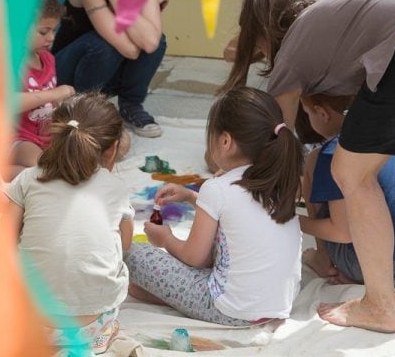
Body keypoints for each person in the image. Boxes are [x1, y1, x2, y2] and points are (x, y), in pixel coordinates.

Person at [222, 0, 395, 333]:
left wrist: (250, 191)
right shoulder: (333, 11)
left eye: (258, 45)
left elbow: (276, 140)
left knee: (350, 172)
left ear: (264, 35)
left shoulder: (297, 44)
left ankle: (379, 306)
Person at [125, 87, 303, 325]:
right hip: (278, 304)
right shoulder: (278, 179)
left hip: (229, 309)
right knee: (141, 287)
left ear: (226, 141)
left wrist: (165, 238)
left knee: (132, 252)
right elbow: (237, 215)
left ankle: (179, 298)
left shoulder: (217, 188)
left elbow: (194, 257)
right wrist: (190, 196)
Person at [4, 93, 134, 354]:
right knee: (120, 268)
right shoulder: (116, 188)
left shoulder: (29, 178)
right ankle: (102, 339)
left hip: (27, 323)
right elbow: (126, 244)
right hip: (91, 325)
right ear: (112, 150)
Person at [52, 0, 167, 138]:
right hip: (66, 74)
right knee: (106, 45)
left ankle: (130, 105)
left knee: (158, 40)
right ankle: (82, 110)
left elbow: (151, 42)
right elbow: (130, 50)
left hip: (105, 72)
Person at [299, 93, 395, 286]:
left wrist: (294, 221)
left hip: (364, 265)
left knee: (312, 160)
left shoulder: (332, 152)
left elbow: (343, 232)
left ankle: (323, 258)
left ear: (322, 113)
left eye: (307, 113)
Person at [5, 0, 76, 181]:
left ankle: (23, 174)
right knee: (46, 168)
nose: (51, 37)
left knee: (80, 155)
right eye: (43, 31)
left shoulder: (48, 59)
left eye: (54, 30)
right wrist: (53, 94)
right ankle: (0, 174)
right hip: (17, 140)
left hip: (44, 135)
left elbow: (50, 103)